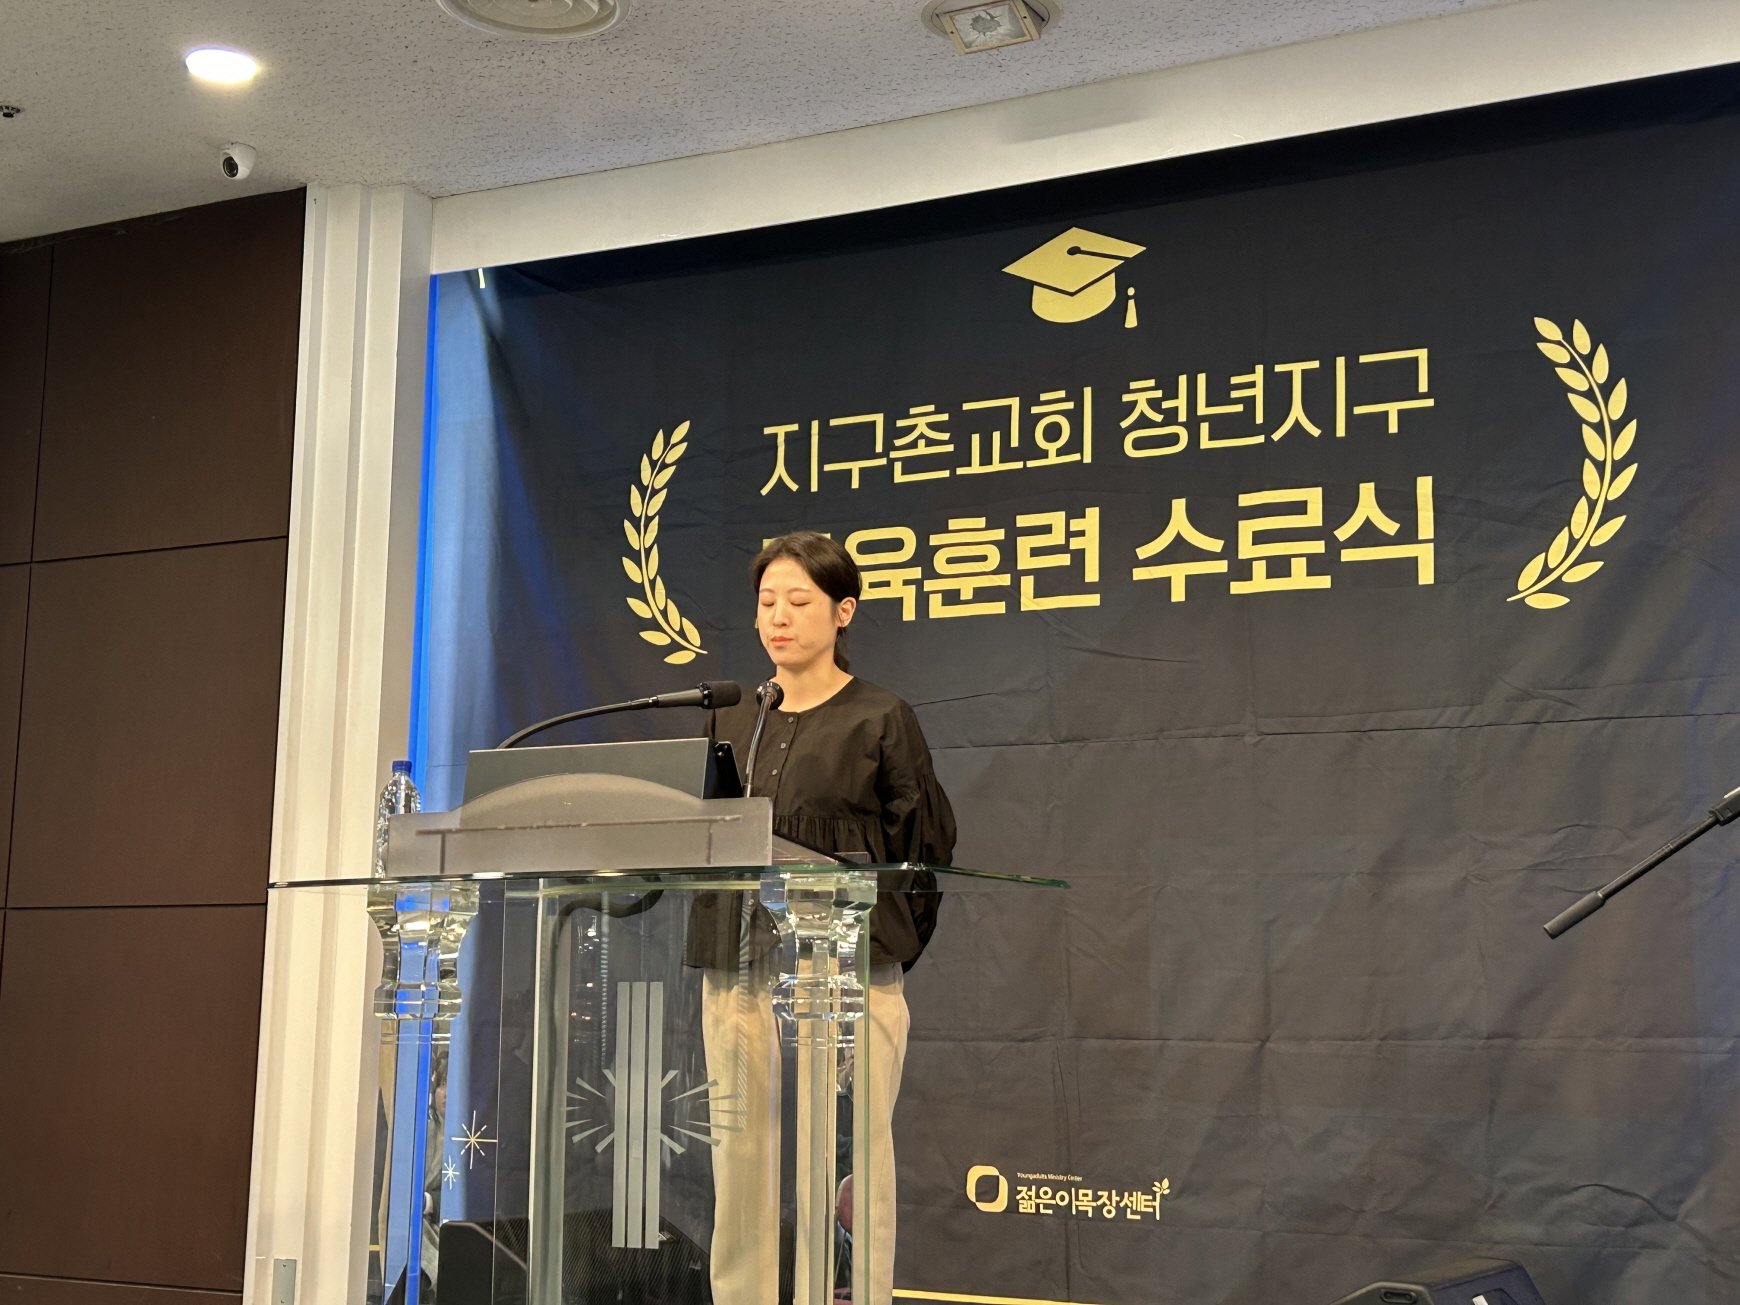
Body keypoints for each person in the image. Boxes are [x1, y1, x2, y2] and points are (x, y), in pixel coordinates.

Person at [687, 531, 955, 1305]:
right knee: (739, 1151)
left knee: (848, 1155)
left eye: (798, 601)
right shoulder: (734, 718)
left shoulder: (880, 717)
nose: (778, 616)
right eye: (767, 601)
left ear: (844, 611)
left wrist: (884, 947)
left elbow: (924, 846)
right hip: (738, 964)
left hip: (846, 973)